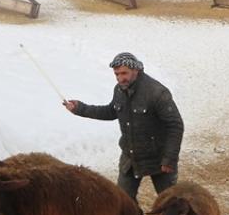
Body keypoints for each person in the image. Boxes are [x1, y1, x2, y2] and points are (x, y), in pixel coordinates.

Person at [63, 52, 184, 201]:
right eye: (117, 74)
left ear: (136, 70)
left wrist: (169, 158)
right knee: (123, 203)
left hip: (159, 158)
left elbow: (175, 125)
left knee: (171, 204)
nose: (120, 78)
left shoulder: (157, 93)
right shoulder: (119, 90)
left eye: (124, 73)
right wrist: (80, 109)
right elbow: (110, 111)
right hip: (130, 158)